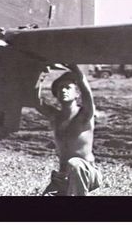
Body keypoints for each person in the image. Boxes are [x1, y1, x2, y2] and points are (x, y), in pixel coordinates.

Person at [34, 64, 102, 196]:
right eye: (60, 88)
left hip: (87, 173)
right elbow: (36, 101)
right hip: (63, 176)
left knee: (74, 163)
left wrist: (75, 69)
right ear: (56, 94)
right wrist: (39, 75)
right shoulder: (55, 116)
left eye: (68, 87)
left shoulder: (85, 115)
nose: (63, 90)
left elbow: (88, 94)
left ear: (77, 93)